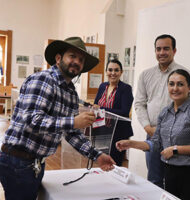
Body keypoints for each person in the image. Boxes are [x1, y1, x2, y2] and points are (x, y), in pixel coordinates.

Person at [0, 37, 115, 200]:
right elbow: (32, 120)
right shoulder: (43, 80)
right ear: (59, 58)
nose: (77, 62)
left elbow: (71, 133)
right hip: (17, 161)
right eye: (72, 56)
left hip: (35, 162)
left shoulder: (71, 93)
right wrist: (74, 121)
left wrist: (97, 155)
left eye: (81, 60)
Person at [117, 69, 190, 200]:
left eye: (180, 84)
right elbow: (156, 144)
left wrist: (175, 150)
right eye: (171, 84)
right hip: (170, 170)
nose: (175, 88)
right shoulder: (165, 113)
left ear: (189, 87)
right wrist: (131, 144)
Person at [135, 34, 190, 188]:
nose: (162, 52)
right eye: (158, 49)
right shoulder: (145, 75)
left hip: (176, 138)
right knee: (154, 180)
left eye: (166, 49)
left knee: (173, 182)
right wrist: (148, 128)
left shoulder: (185, 74)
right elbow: (139, 104)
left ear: (174, 51)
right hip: (152, 135)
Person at [94, 59, 133, 166]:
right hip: (102, 131)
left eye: (116, 70)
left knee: (114, 164)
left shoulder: (126, 88)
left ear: (121, 72)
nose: (113, 73)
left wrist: (102, 109)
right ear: (106, 71)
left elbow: (124, 111)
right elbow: (96, 105)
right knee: (101, 162)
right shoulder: (102, 86)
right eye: (110, 70)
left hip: (118, 133)